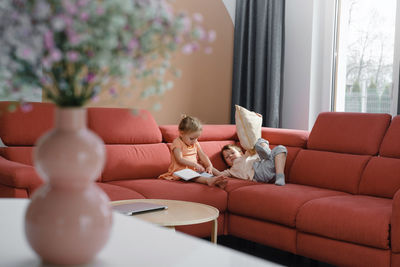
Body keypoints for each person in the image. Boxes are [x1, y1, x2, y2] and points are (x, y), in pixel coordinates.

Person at [159, 115, 228, 189]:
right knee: (193, 175)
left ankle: (221, 177)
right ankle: (208, 180)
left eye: (197, 138)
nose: (194, 141)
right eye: (192, 138)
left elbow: (202, 155)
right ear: (181, 133)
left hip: (194, 169)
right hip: (180, 171)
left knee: (207, 167)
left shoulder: (195, 142)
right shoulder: (177, 142)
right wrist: (195, 164)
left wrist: (209, 166)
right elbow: (179, 159)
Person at [213, 138, 287, 186]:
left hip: (265, 164)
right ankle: (266, 152)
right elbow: (219, 174)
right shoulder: (231, 170)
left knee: (279, 148)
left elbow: (249, 136)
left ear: (241, 153)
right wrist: (209, 166)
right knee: (260, 145)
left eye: (232, 153)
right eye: (227, 157)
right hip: (258, 174)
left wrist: (256, 118)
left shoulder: (247, 154)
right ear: (226, 163)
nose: (231, 156)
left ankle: (279, 176)